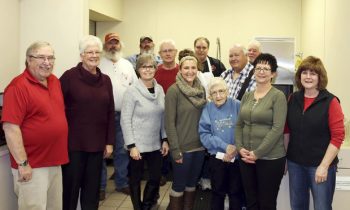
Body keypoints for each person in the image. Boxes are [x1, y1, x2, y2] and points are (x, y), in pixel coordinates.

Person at [1, 41, 68, 210]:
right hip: (32, 166)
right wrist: (23, 164)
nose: (47, 62)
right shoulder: (17, 87)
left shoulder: (54, 81)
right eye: (41, 57)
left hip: (55, 161)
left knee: (54, 207)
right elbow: (10, 128)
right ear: (29, 60)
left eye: (51, 57)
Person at [60, 35, 115, 210]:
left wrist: (110, 142)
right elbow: (57, 108)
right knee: (70, 190)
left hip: (97, 145)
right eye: (89, 52)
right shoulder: (69, 77)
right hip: (73, 145)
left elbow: (110, 112)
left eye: (97, 52)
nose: (94, 55)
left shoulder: (105, 80)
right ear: (82, 55)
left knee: (92, 192)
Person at [285, 56, 344, 210]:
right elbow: (287, 131)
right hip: (295, 164)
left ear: (320, 77)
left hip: (320, 165)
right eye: (304, 73)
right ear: (299, 76)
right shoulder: (292, 98)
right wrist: (285, 158)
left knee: (322, 207)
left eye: (313, 73)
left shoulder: (331, 102)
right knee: (297, 206)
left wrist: (324, 166)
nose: (308, 77)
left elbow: (338, 137)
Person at [235, 53, 287, 210]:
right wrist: (240, 148)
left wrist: (257, 153)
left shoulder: (278, 97)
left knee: (266, 203)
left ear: (273, 74)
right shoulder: (247, 96)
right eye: (258, 68)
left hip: (270, 159)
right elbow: (239, 125)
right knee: (250, 201)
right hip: (245, 157)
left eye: (266, 68)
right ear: (253, 71)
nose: (261, 72)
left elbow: (277, 129)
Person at [121, 53, 169, 210]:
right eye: (143, 66)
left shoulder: (160, 89)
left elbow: (163, 116)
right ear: (138, 69)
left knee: (155, 178)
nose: (147, 70)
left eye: (150, 66)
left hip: (155, 143)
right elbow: (125, 120)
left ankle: (147, 205)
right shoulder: (131, 91)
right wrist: (131, 145)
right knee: (135, 179)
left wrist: (164, 139)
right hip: (137, 145)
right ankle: (137, 207)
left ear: (155, 68)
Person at [165, 56, 207, 210]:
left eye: (193, 68)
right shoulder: (173, 91)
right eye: (186, 68)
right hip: (182, 148)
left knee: (191, 184)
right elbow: (169, 123)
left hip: (200, 147)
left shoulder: (201, 89)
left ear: (197, 69)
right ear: (180, 70)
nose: (190, 71)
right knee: (179, 185)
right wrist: (175, 149)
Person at [99, 32, 137, 199]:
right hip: (101, 117)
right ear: (105, 46)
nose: (113, 46)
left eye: (116, 43)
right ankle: (100, 187)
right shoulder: (98, 63)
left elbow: (135, 87)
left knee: (122, 151)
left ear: (120, 45)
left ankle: (121, 183)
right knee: (101, 152)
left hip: (123, 115)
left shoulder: (127, 65)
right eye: (110, 43)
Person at [199, 77, 243, 210]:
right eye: (214, 93)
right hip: (217, 157)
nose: (218, 96)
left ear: (228, 91)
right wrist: (225, 147)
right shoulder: (207, 108)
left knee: (236, 193)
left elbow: (245, 128)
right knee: (217, 193)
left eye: (221, 91)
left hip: (237, 156)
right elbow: (204, 135)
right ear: (209, 95)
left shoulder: (237, 105)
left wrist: (235, 148)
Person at [155, 39, 179, 186]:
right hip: (160, 118)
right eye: (165, 51)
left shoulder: (183, 71)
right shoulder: (155, 72)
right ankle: (162, 174)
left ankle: (177, 175)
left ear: (176, 52)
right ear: (160, 54)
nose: (168, 53)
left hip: (179, 118)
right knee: (161, 150)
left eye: (171, 50)